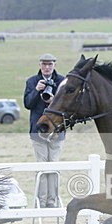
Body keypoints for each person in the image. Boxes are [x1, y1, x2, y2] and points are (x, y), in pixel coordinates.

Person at [23, 53, 66, 207]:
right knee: (41, 166)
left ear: (54, 65)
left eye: (50, 64)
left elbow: (67, 105)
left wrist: (53, 99)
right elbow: (28, 104)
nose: (47, 67)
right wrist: (36, 90)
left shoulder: (62, 81)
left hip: (56, 130)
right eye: (44, 64)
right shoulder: (32, 81)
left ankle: (52, 201)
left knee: (54, 165)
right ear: (40, 65)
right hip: (38, 130)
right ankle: (41, 202)